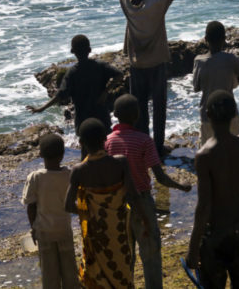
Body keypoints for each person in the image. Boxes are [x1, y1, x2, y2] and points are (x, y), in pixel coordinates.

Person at [105, 94, 191, 289]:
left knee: (125, 256)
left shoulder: (108, 142)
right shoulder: (144, 140)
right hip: (142, 201)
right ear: (137, 115)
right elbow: (160, 177)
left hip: (118, 205)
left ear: (115, 115)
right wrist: (180, 186)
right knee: (150, 254)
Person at [187, 90, 239, 289]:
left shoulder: (204, 156)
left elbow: (204, 205)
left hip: (214, 236)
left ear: (208, 115)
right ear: (234, 115)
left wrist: (193, 247)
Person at [119, 0, 178, 159]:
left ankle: (143, 147)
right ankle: (158, 147)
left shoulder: (129, 3)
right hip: (157, 63)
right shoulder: (157, 3)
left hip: (136, 64)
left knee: (140, 109)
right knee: (159, 108)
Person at [65, 118, 144, 289]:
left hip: (96, 234)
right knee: (122, 270)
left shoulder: (79, 171)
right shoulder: (121, 162)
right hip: (119, 230)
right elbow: (133, 195)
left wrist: (90, 213)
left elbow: (68, 205)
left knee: (97, 275)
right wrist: (144, 220)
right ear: (105, 139)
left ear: (81, 142)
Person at [27, 35, 123, 145]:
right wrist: (106, 92)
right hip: (102, 118)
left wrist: (41, 108)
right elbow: (119, 74)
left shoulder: (72, 73)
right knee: (105, 146)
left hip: (83, 122)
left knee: (86, 151)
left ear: (73, 52)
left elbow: (60, 95)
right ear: (90, 50)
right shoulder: (100, 66)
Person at [21, 133, 79, 289]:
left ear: (40, 154)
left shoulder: (35, 177)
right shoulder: (68, 174)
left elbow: (31, 207)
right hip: (64, 230)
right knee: (70, 272)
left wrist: (33, 229)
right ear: (62, 155)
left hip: (45, 233)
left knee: (49, 275)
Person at [192, 21, 239, 146]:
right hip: (230, 114)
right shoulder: (231, 59)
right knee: (232, 152)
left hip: (208, 116)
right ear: (224, 39)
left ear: (206, 39)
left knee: (210, 153)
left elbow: (196, 87)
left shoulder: (199, 61)